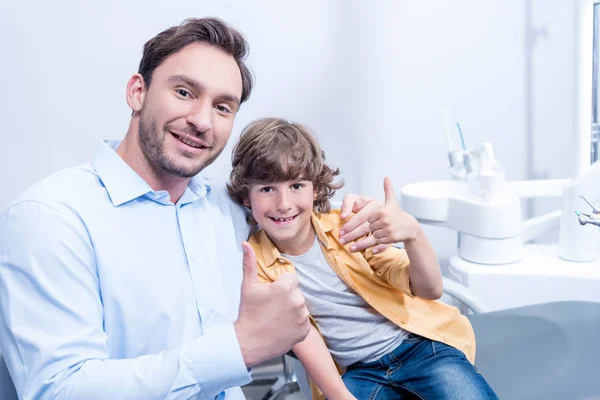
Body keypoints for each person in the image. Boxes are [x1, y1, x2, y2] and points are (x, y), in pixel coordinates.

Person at [0, 18, 377, 400]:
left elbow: (299, 224)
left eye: (223, 107)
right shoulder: (52, 217)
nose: (201, 121)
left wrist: (364, 220)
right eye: (183, 92)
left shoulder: (229, 208)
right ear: (137, 91)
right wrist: (240, 348)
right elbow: (59, 390)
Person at [227, 117, 499, 400]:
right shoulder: (255, 262)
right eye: (267, 189)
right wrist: (341, 396)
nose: (283, 203)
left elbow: (431, 290)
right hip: (358, 373)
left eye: (296, 186)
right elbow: (302, 334)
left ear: (316, 189)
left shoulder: (349, 227)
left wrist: (413, 235)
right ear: (247, 196)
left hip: (419, 348)